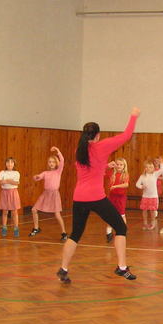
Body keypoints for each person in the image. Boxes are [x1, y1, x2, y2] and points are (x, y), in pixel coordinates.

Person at [58, 108, 140, 284]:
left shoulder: (79, 150)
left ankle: (63, 268)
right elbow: (126, 135)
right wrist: (134, 116)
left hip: (79, 198)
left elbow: (90, 171)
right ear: (97, 135)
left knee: (75, 234)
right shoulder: (102, 146)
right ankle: (122, 267)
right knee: (121, 228)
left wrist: (105, 166)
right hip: (96, 198)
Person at [29, 146, 67, 241]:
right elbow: (38, 177)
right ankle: (36, 228)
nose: (51, 163)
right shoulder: (45, 173)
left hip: (54, 195)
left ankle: (64, 233)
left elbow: (62, 160)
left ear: (56, 163)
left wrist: (58, 151)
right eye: (50, 162)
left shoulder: (58, 172)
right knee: (34, 209)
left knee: (57, 214)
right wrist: (36, 177)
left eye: (53, 162)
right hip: (45, 194)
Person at [105, 157, 129, 243]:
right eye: (117, 164)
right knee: (110, 215)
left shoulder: (125, 175)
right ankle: (108, 232)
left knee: (122, 215)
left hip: (121, 198)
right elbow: (101, 171)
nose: (119, 166)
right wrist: (108, 165)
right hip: (112, 197)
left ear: (124, 166)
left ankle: (123, 230)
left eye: (121, 164)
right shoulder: (111, 173)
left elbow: (126, 184)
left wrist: (115, 186)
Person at [136, 157, 163, 230]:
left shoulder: (155, 175)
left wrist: (161, 162)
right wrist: (141, 186)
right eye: (147, 167)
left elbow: (162, 170)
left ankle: (153, 223)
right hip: (145, 196)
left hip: (153, 197)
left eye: (150, 167)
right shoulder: (142, 176)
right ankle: (145, 223)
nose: (149, 168)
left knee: (152, 211)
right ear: (145, 168)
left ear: (153, 168)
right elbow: (137, 184)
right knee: (144, 210)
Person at [0, 157, 21, 237]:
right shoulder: (2, 172)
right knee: (5, 211)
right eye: (8, 162)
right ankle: (4, 228)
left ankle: (16, 228)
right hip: (5, 193)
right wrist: (10, 181)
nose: (10, 164)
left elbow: (16, 183)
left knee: (14, 212)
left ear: (14, 164)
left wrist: (7, 181)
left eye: (12, 162)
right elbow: (1, 182)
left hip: (13, 193)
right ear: (5, 164)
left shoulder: (16, 173)